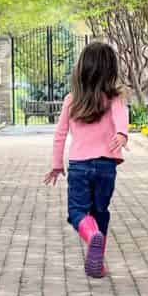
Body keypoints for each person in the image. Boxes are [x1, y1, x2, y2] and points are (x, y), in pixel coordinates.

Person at [43, 41, 129, 278]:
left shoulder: (72, 99)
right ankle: (98, 263)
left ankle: (92, 237)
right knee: (100, 211)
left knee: (78, 212)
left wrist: (56, 164)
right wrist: (122, 134)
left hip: (80, 166)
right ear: (110, 70)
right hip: (107, 165)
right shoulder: (113, 98)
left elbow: (60, 134)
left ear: (82, 68)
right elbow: (121, 118)